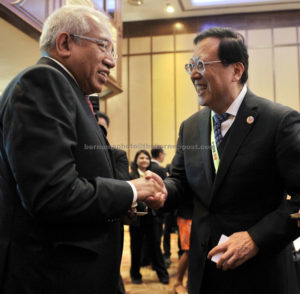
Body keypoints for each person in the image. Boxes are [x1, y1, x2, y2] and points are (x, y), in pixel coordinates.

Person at [0, 5, 165, 294]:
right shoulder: (43, 83)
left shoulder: (74, 96)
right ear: (65, 43)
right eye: (104, 46)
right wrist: (132, 190)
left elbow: (82, 180)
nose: (112, 62)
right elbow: (53, 195)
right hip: (54, 278)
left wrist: (119, 205)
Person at [152, 27, 300, 294]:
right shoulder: (191, 127)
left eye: (201, 64)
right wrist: (161, 191)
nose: (193, 74)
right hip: (205, 274)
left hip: (261, 275)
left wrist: (256, 238)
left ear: (236, 71)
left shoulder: (279, 121)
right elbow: (181, 183)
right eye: (190, 65)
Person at [129, 150, 169, 285]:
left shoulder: (153, 176)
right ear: (136, 161)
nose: (144, 160)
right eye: (141, 158)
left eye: (146, 158)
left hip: (152, 218)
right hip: (136, 218)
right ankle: (135, 275)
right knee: (136, 247)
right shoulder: (131, 175)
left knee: (155, 246)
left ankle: (162, 274)